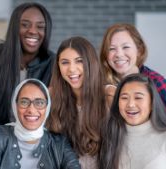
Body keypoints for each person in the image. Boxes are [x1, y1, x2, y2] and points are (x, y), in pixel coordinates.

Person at [99, 23, 166, 164]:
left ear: (139, 50)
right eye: (112, 49)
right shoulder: (102, 85)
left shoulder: (156, 83)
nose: (119, 54)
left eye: (125, 47)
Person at [0, 2, 55, 126]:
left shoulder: (53, 64)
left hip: (35, 140)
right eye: (25, 25)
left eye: (40, 27)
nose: (33, 31)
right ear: (14, 27)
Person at [99, 73, 166, 169]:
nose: (130, 104)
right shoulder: (111, 138)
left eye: (138, 97)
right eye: (124, 98)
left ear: (152, 103)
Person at [0, 79, 80, 169]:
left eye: (39, 103)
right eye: (24, 102)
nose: (31, 109)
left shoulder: (59, 143)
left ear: (47, 108)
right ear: (15, 105)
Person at [46, 36, 107, 169]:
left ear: (90, 63)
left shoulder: (107, 97)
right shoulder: (50, 97)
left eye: (79, 61)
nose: (72, 69)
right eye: (65, 62)